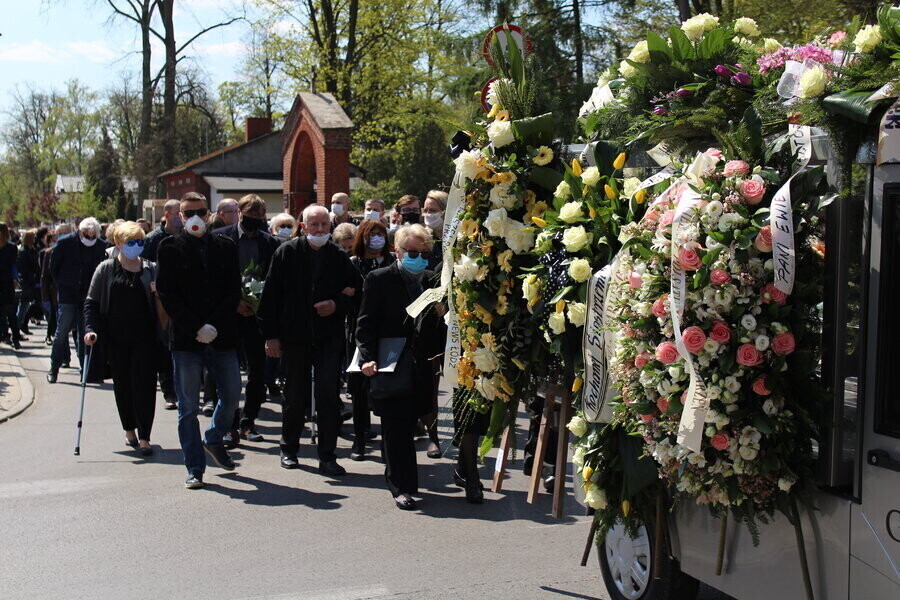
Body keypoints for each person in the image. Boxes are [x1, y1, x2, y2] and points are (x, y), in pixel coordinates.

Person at [258, 204, 360, 476]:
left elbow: (356, 295)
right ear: (303, 227)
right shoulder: (286, 253)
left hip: (328, 337)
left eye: (324, 225)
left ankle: (327, 455)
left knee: (328, 395)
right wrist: (271, 336)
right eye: (313, 225)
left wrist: (336, 305)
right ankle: (288, 448)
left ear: (330, 226)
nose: (319, 230)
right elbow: (270, 298)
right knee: (295, 395)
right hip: (294, 336)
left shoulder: (338, 256)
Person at [156, 192, 242, 489]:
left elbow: (233, 289)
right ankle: (195, 466)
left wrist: (214, 325)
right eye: (188, 212)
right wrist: (195, 326)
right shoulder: (169, 248)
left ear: (209, 214)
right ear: (179, 215)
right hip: (186, 339)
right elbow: (167, 293)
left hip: (221, 335)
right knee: (188, 407)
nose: (195, 217)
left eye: (201, 211)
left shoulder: (226, 246)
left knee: (231, 394)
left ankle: (214, 437)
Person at [356, 224, 444, 510]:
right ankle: (399, 486)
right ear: (397, 251)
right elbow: (365, 324)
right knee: (394, 427)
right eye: (411, 251)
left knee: (410, 424)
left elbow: (436, 328)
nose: (417, 257)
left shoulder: (431, 282)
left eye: (422, 252)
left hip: (420, 365)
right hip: (390, 362)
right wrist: (367, 358)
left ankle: (409, 481)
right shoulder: (379, 279)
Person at [84, 222, 161, 457]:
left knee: (145, 385)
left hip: (145, 338)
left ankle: (146, 436)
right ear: (118, 244)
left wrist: (158, 292)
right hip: (116, 339)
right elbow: (91, 303)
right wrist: (90, 329)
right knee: (123, 385)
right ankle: (130, 429)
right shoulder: (105, 269)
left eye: (140, 242)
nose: (136, 247)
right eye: (131, 242)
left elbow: (164, 304)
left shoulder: (151, 269)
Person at [212, 193, 280, 444]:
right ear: (239, 214)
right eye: (250, 217)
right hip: (228, 316)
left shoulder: (270, 243)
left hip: (257, 316)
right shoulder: (220, 238)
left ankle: (248, 422)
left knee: (257, 371)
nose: (255, 222)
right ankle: (229, 423)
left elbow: (274, 281)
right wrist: (235, 302)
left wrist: (257, 303)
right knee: (227, 372)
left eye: (259, 218)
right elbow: (213, 279)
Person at [345, 218, 395, 461]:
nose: (377, 238)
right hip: (359, 331)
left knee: (387, 388)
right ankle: (360, 437)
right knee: (358, 388)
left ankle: (388, 442)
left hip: (387, 332)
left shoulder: (393, 262)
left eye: (381, 234)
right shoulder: (352, 264)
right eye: (371, 234)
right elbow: (346, 294)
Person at [47, 217, 108, 382]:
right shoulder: (65, 243)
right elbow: (54, 267)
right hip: (68, 293)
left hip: (87, 295)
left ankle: (85, 370)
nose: (90, 238)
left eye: (93, 236)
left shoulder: (101, 245)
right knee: (62, 332)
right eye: (87, 235)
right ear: (80, 232)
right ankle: (54, 367)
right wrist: (63, 283)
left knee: (85, 334)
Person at [142, 200, 182, 410]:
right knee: (165, 346)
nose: (180, 217)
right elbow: (143, 265)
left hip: (182, 299)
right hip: (159, 301)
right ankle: (169, 392)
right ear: (166, 215)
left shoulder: (186, 236)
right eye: (177, 213)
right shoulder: (152, 240)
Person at [40, 225, 68, 346]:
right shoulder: (49, 253)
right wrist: (45, 297)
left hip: (70, 295)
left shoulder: (74, 250)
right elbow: (45, 277)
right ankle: (62, 356)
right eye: (59, 234)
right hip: (55, 296)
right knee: (60, 327)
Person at [15, 229, 40, 337]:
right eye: (33, 237)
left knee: (25, 307)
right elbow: (24, 268)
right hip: (25, 282)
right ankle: (16, 330)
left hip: (30, 281)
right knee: (23, 307)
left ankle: (18, 328)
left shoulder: (31, 250)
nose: (35, 239)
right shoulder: (23, 251)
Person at [0, 223, 20, 349]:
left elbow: (13, 265)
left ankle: (14, 336)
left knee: (10, 312)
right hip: (5, 282)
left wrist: (14, 279)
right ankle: (8, 336)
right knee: (5, 313)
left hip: (6, 283)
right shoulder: (11, 247)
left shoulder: (11, 247)